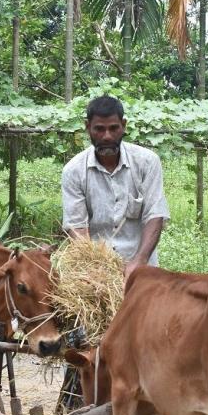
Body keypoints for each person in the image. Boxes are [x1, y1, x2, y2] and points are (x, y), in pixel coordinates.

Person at [61, 95, 170, 279]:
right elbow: (76, 226)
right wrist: (95, 269)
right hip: (95, 271)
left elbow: (155, 215)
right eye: (99, 129)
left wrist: (139, 261)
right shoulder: (73, 171)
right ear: (88, 127)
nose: (107, 136)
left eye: (113, 128)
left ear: (124, 125)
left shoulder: (147, 162)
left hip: (142, 270)